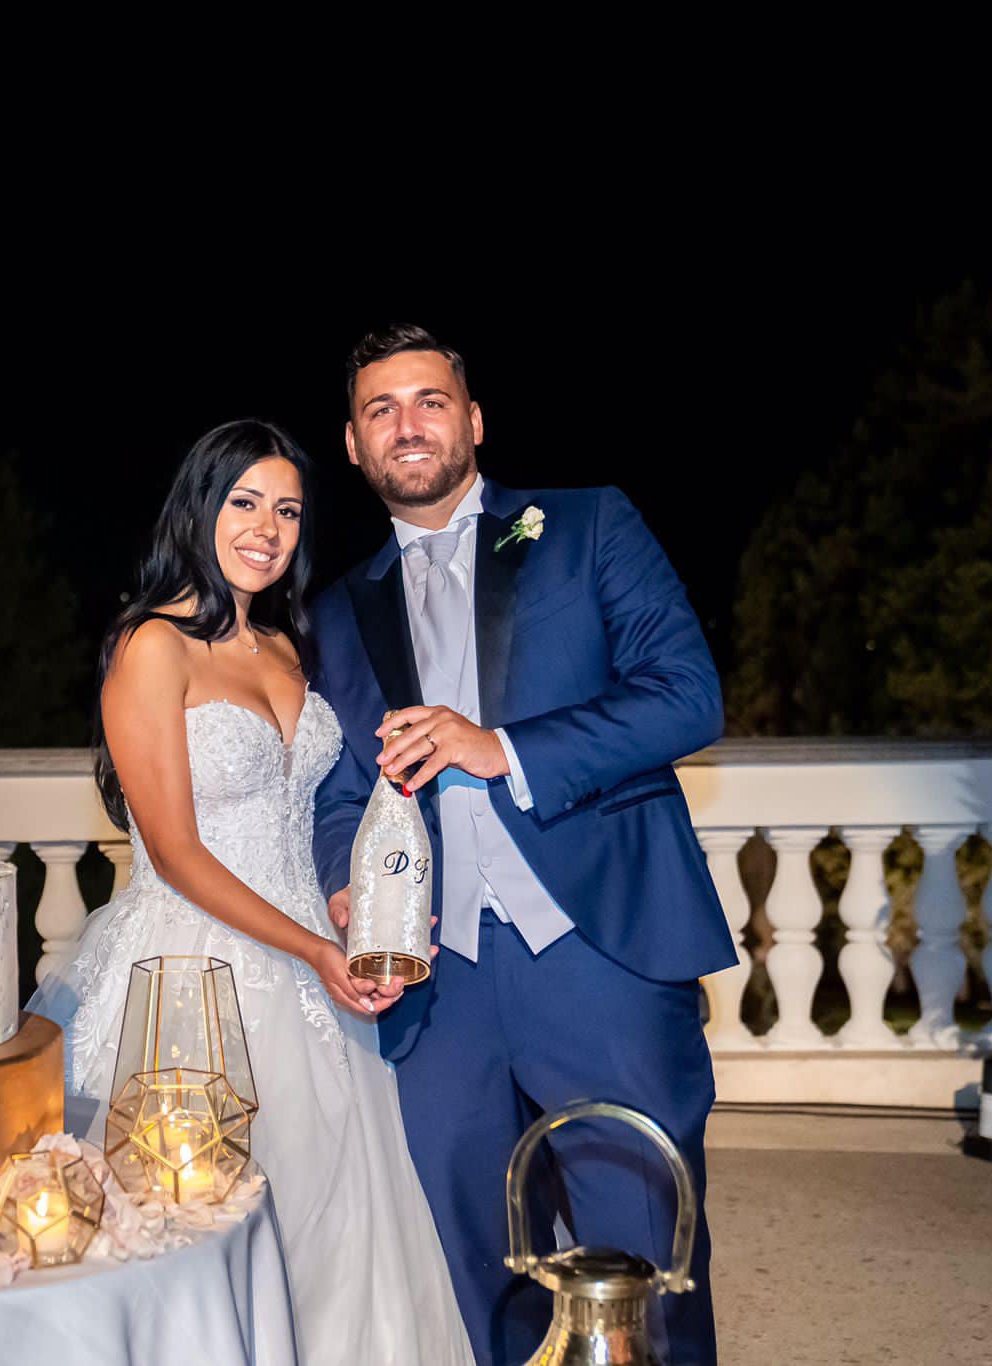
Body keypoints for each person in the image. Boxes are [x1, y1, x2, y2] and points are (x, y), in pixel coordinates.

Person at [309, 325, 737, 1365]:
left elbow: (687, 697)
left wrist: (498, 746)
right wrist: (338, 887)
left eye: (428, 400)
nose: (406, 424)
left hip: (598, 952)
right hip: (432, 986)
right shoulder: (331, 608)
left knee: (640, 1260)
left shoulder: (587, 527)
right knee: (471, 1264)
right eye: (380, 410)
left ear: (472, 420)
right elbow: (333, 786)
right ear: (356, 447)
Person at [31, 418, 474, 1366]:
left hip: (316, 957)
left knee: (338, 1214)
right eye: (245, 503)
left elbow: (312, 814)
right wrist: (313, 948)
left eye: (287, 510)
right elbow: (178, 852)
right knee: (195, 1218)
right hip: (192, 964)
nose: (268, 528)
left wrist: (350, 909)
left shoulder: (286, 648)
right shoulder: (152, 648)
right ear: (200, 508)